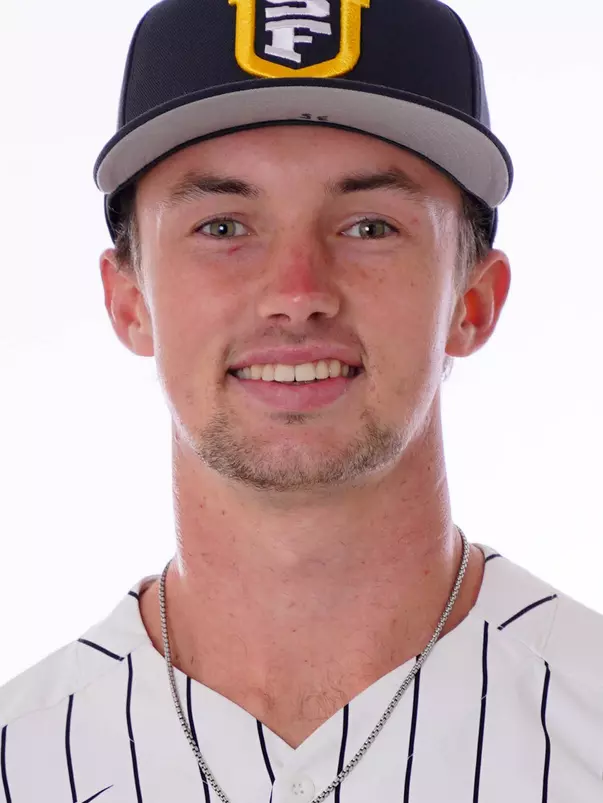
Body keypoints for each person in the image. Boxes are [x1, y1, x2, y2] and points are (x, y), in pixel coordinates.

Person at [2, 0, 602, 800]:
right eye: (222, 226)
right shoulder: (22, 760)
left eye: (367, 227)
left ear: (473, 300)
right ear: (128, 300)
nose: (296, 293)